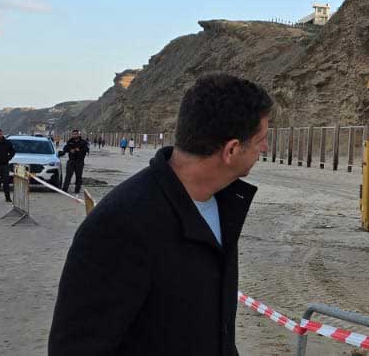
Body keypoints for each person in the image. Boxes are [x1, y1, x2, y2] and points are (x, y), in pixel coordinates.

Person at [49, 73, 271, 355]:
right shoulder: (120, 224)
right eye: (261, 139)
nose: (265, 147)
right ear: (232, 149)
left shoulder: (223, 203)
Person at [59, 129, 91, 194]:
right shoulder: (70, 141)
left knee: (78, 176)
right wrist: (70, 150)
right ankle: (65, 189)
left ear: (79, 134)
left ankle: (77, 190)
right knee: (68, 176)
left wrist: (79, 150)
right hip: (71, 161)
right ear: (72, 135)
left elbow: (87, 150)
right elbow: (65, 149)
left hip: (79, 161)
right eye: (73, 134)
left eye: (76, 134)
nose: (75, 135)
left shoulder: (83, 142)